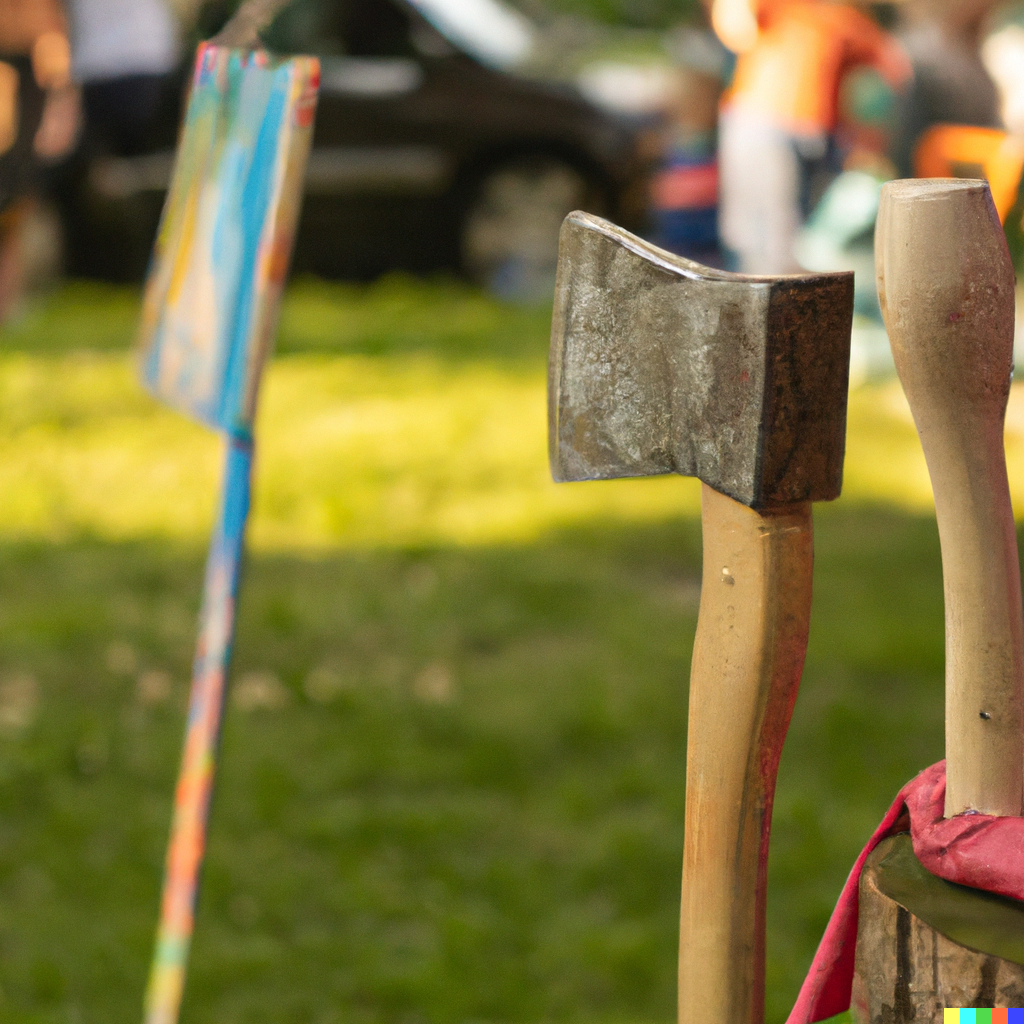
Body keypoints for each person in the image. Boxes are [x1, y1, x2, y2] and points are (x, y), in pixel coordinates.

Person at [714, 0, 910, 273]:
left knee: (798, 241)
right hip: (763, 124)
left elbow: (893, 70)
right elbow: (736, 27)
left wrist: (868, 140)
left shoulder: (847, 22)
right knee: (762, 239)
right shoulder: (782, 8)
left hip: (814, 136)